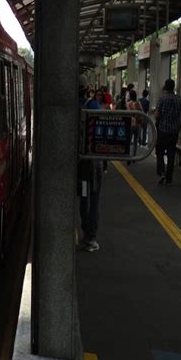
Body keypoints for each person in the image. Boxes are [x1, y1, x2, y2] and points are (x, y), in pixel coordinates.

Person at [78, 83, 102, 252]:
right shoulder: (92, 105)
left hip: (77, 163)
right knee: (93, 199)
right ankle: (90, 237)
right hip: (92, 163)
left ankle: (86, 231)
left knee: (83, 197)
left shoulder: (71, 106)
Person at [155, 79, 181, 185]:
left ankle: (162, 172)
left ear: (165, 87)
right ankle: (169, 177)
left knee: (159, 151)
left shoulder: (162, 99)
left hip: (163, 130)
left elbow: (157, 115)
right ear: (173, 87)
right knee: (171, 153)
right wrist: (180, 124)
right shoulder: (179, 100)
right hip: (174, 131)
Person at [126, 89, 143, 162]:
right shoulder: (138, 103)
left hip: (131, 123)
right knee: (135, 140)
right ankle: (134, 156)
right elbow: (142, 111)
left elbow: (128, 113)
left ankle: (128, 156)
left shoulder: (128, 103)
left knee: (129, 140)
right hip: (138, 124)